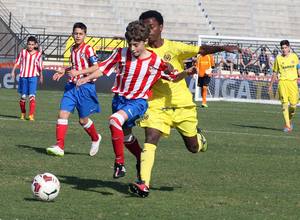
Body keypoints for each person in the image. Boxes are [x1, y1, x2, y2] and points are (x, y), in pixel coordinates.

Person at [128, 10, 240, 198]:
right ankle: (143, 184)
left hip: (182, 106)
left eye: (151, 26)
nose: (147, 30)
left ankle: (199, 139)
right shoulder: (140, 51)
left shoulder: (174, 48)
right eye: (144, 26)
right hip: (156, 105)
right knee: (150, 138)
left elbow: (201, 50)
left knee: (193, 148)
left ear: (161, 28)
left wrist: (223, 47)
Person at [76, 20, 196, 179]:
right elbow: (103, 69)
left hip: (138, 102)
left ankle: (119, 164)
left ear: (145, 42)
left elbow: (173, 77)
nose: (132, 49)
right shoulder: (121, 53)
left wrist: (187, 72)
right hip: (119, 100)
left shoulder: (155, 61)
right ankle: (140, 158)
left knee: (114, 121)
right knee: (125, 137)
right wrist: (87, 78)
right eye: (130, 44)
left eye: (136, 45)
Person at [46, 22, 101, 157]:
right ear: (72, 34)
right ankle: (60, 146)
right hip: (71, 86)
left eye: (80, 34)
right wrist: (64, 71)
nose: (78, 36)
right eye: (75, 33)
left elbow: (96, 67)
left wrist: (79, 73)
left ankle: (95, 138)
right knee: (62, 114)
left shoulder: (88, 49)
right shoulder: (72, 49)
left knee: (83, 120)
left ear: (85, 35)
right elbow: (74, 66)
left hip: (85, 87)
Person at [268, 40, 300, 132]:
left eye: (285, 48)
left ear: (289, 47)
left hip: (293, 83)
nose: (284, 50)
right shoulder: (278, 58)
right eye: (282, 48)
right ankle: (288, 125)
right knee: (284, 105)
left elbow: (298, 70)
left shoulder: (294, 56)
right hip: (282, 83)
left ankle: (288, 120)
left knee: (293, 106)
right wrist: (270, 85)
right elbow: (274, 73)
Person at [11, 36, 43, 121]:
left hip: (33, 77)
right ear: (27, 44)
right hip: (23, 77)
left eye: (32, 44)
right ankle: (23, 113)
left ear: (35, 45)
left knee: (32, 96)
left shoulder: (38, 54)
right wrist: (13, 71)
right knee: (23, 97)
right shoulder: (23, 52)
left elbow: (39, 66)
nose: (30, 46)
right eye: (29, 44)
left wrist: (41, 76)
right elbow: (17, 62)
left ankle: (31, 115)